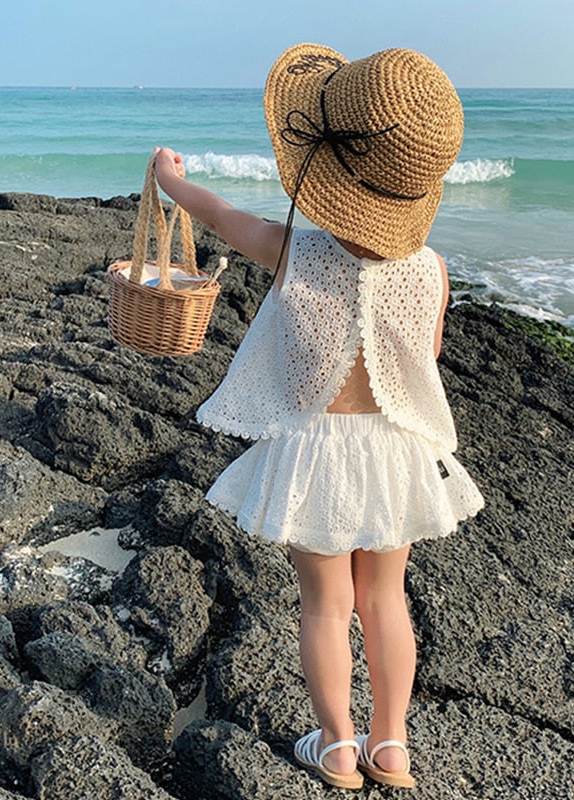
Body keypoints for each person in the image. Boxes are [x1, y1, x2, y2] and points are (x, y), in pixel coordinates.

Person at [154, 43, 484, 791]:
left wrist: (171, 178)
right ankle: (391, 745)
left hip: (315, 452)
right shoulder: (430, 270)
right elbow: (421, 360)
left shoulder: (291, 250)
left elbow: (220, 213)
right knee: (384, 600)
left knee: (326, 607)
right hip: (394, 450)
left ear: (333, 183)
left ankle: (338, 748)